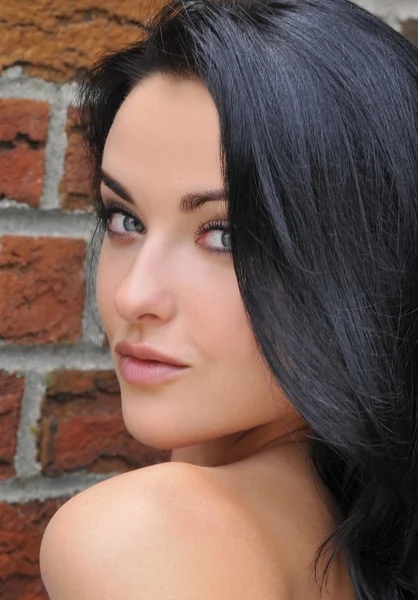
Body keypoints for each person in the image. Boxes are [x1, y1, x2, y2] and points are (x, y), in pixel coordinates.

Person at [39, 0, 418, 598]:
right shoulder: (354, 540)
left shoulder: (140, 541)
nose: (135, 295)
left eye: (226, 236)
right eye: (125, 220)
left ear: (361, 261)